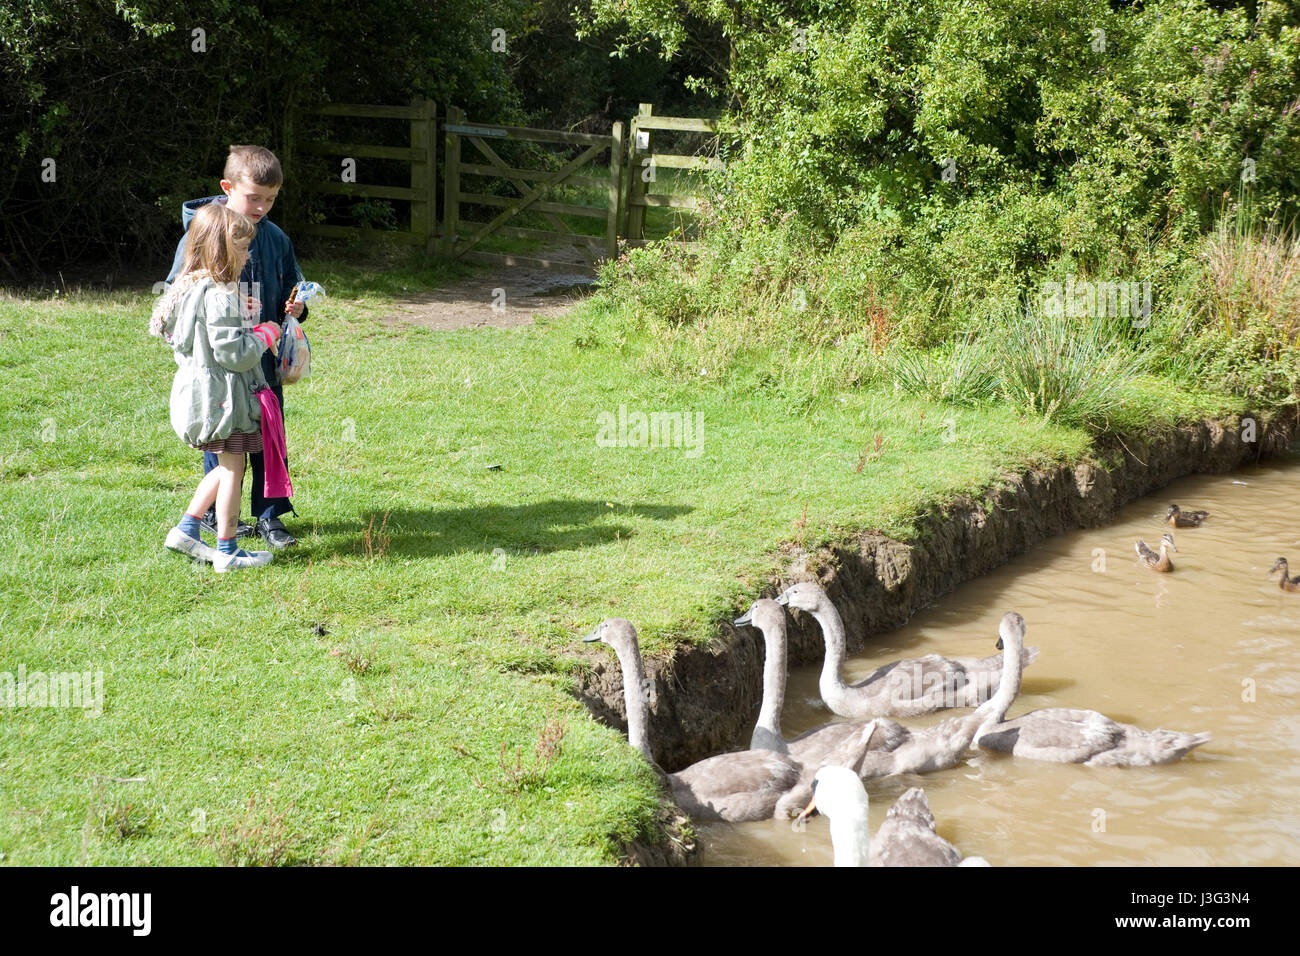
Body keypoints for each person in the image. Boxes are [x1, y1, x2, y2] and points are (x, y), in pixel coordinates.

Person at [163, 144, 307, 549]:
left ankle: (270, 515)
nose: (262, 207)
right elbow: (179, 293)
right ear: (227, 187)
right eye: (253, 197)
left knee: (268, 434)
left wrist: (296, 307)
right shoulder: (202, 234)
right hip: (220, 365)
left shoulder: (276, 238)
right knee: (223, 437)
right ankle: (213, 518)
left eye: (271, 199)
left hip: (263, 359)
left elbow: (293, 286)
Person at [153, 203, 282, 572]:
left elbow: (202, 336)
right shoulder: (222, 290)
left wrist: (239, 315)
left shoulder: (191, 286)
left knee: (225, 464)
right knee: (232, 470)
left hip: (200, 396)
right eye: (241, 248)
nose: (247, 254)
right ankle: (227, 550)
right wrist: (263, 332)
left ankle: (188, 528)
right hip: (226, 398)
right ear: (220, 248)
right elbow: (234, 356)